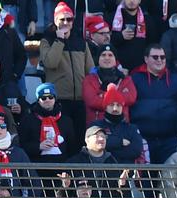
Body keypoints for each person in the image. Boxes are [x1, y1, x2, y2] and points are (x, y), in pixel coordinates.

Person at [40, 2, 94, 144]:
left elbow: (90, 70)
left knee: (80, 140)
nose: (65, 22)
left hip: (80, 100)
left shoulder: (81, 42)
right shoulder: (47, 40)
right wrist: (59, 40)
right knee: (63, 140)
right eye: (62, 19)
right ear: (55, 21)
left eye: (69, 19)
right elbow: (50, 63)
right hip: (59, 100)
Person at [131, 44, 177, 164]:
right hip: (143, 140)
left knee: (171, 180)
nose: (159, 60)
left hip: (170, 141)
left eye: (162, 57)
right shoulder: (134, 79)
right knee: (146, 181)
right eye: (155, 57)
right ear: (146, 59)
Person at [18, 82, 75, 162]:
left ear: (55, 99)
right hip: (36, 166)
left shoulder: (66, 120)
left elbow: (72, 147)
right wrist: (38, 146)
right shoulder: (28, 120)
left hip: (62, 166)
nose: (47, 100)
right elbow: (22, 145)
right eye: (43, 98)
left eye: (50, 97)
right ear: (38, 100)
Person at [88, 85, 145, 163]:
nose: (115, 108)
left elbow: (136, 151)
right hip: (103, 172)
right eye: (111, 105)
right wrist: (120, 142)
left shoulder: (131, 128)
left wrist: (108, 149)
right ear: (105, 107)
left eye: (118, 105)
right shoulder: (96, 126)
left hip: (127, 172)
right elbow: (94, 146)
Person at [83, 45, 137, 123]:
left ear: (115, 59)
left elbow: (131, 98)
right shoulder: (89, 79)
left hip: (122, 126)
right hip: (98, 128)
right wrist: (119, 98)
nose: (107, 58)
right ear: (98, 59)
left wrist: (102, 96)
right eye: (103, 55)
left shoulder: (126, 79)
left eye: (110, 55)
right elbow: (92, 101)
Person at [109, 0, 150, 71]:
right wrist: (121, 36)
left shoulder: (147, 20)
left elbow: (151, 44)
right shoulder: (112, 17)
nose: (132, 1)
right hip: (117, 68)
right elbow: (105, 41)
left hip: (140, 69)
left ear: (140, 1)